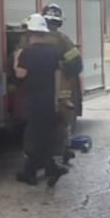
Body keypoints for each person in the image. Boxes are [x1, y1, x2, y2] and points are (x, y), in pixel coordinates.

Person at [13, 13, 69, 186]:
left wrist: (16, 59)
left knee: (34, 136)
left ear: (31, 33)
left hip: (34, 99)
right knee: (46, 134)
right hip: (49, 98)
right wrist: (57, 99)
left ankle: (30, 173)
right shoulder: (54, 51)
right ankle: (51, 168)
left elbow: (20, 74)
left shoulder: (27, 53)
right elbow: (58, 75)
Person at [39, 3, 84, 164]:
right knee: (62, 121)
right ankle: (60, 154)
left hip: (38, 90)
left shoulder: (31, 38)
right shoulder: (62, 39)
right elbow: (77, 64)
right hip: (61, 91)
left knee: (39, 124)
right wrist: (68, 75)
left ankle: (39, 157)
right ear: (59, 22)